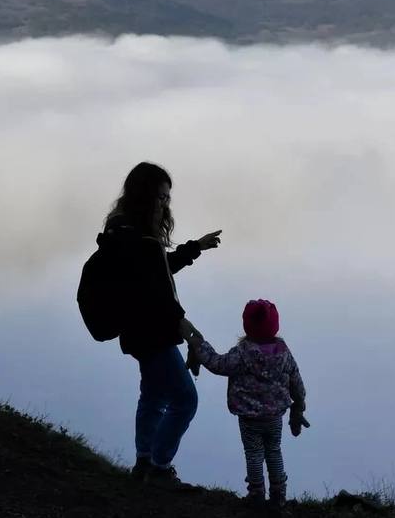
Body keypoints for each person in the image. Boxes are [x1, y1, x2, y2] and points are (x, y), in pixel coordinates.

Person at [98, 162, 221, 489]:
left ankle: (143, 462)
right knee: (185, 399)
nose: (165, 204)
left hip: (142, 329)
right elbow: (150, 288)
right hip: (151, 331)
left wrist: (196, 247)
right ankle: (159, 468)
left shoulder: (125, 230)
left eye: (167, 198)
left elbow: (159, 271)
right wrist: (182, 324)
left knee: (153, 395)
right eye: (161, 197)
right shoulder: (134, 237)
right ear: (144, 194)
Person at [181, 300, 309, 512]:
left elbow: (218, 364)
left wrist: (198, 345)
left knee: (254, 453)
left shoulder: (243, 353)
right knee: (274, 451)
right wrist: (299, 404)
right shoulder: (283, 352)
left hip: (249, 418)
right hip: (274, 416)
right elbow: (296, 380)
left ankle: (256, 494)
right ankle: (279, 496)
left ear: (247, 325)